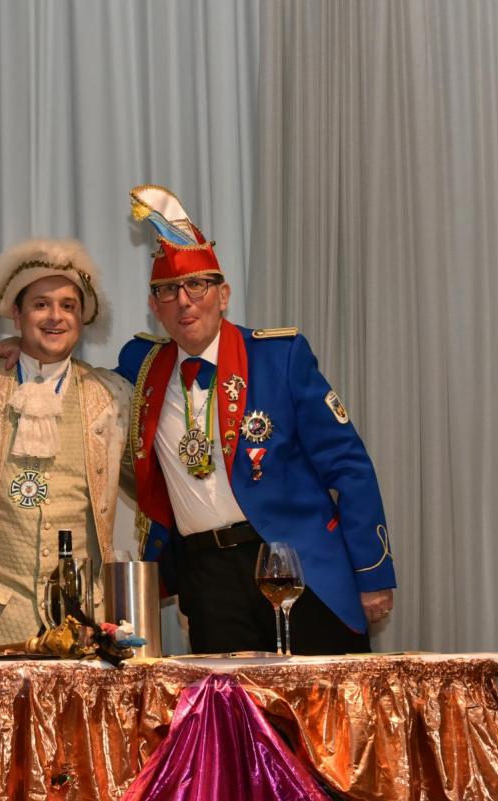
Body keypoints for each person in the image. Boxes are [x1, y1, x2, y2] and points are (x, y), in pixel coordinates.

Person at [114, 184, 395, 654]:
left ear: (223, 295)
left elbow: (347, 465)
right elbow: (79, 379)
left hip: (296, 566)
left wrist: (372, 573)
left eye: (196, 285)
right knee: (231, 704)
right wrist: (13, 347)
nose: (183, 301)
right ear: (153, 305)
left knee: (323, 700)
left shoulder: (279, 357)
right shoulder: (140, 364)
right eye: (167, 290)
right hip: (208, 580)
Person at [0, 239, 132, 648]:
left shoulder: (114, 396)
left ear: (81, 318)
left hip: (83, 621)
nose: (55, 316)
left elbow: (154, 485)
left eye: (68, 305)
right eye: (41, 304)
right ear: (16, 314)